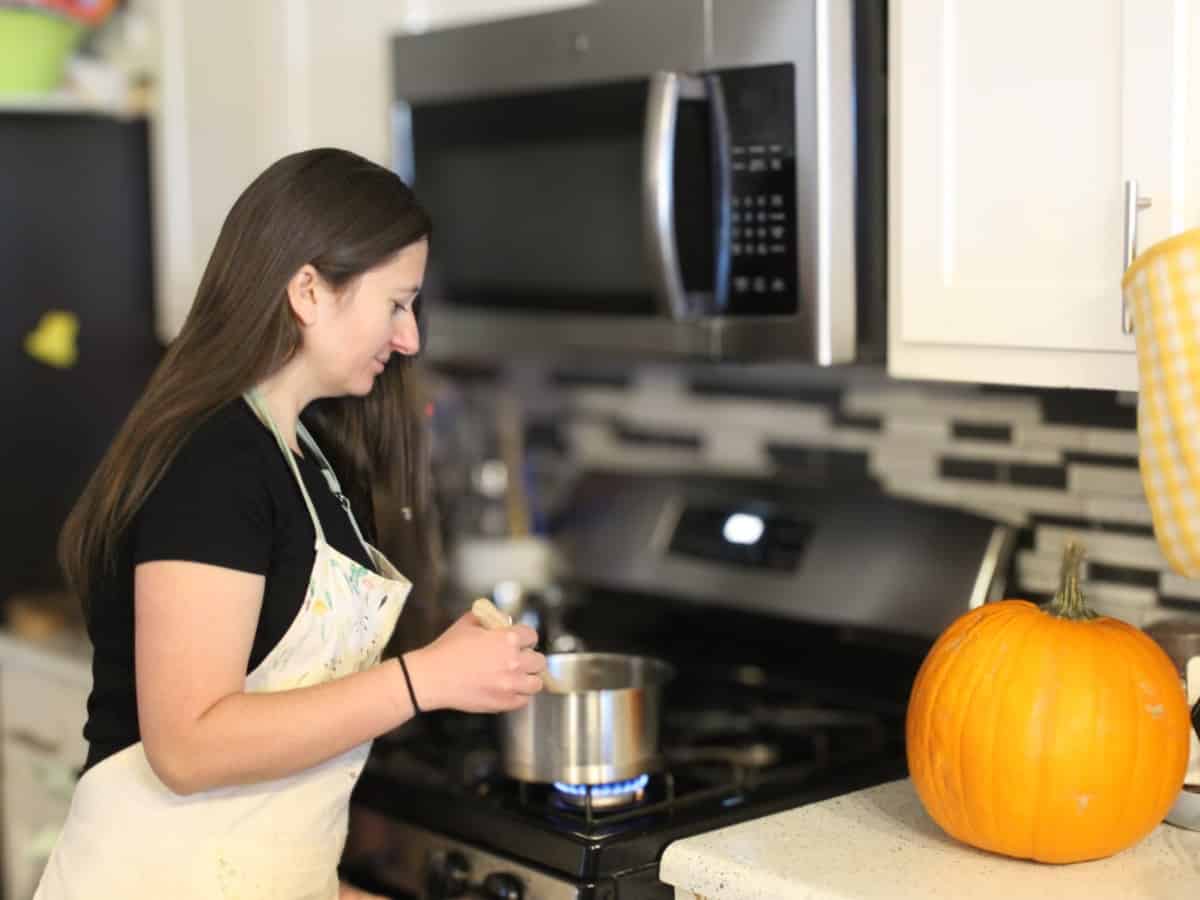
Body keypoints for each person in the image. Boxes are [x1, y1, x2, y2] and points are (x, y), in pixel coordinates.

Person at [35, 148, 546, 900]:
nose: (409, 339)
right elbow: (189, 745)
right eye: (396, 304)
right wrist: (426, 678)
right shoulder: (212, 461)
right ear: (309, 290)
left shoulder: (311, 457)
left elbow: (256, 821)